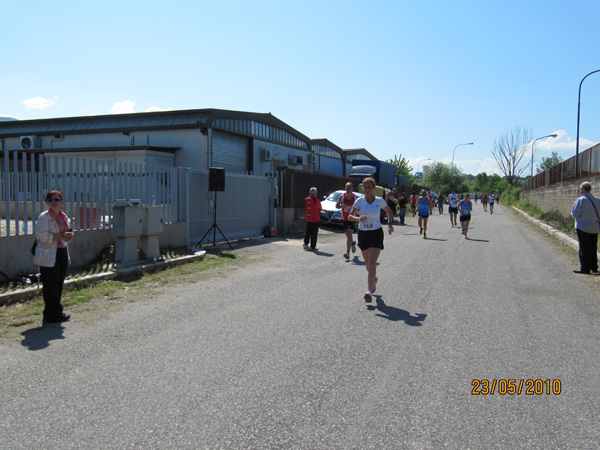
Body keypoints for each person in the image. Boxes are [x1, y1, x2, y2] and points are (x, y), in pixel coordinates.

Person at [348, 177, 394, 303]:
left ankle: (368, 291)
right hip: (363, 235)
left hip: (376, 234)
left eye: (369, 187)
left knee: (372, 263)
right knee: (368, 265)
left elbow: (389, 211)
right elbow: (350, 216)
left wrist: (390, 224)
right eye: (365, 187)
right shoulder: (359, 201)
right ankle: (373, 280)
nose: (367, 190)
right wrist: (358, 219)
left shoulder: (379, 201)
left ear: (374, 189)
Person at [33, 190, 75, 323]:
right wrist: (61, 235)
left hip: (61, 251)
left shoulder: (63, 217)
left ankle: (54, 312)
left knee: (58, 284)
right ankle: (52, 314)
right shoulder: (44, 217)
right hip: (48, 253)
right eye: (50, 200)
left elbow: (65, 235)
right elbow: (43, 236)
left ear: (62, 202)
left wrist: (67, 237)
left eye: (56, 199)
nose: (53, 202)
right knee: (50, 285)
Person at [571, 181, 600, 274]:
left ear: (582, 190)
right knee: (593, 248)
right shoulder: (597, 200)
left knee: (584, 248)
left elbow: (574, 214)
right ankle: (594, 267)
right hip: (595, 228)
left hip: (582, 227)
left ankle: (585, 268)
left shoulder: (581, 200)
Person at [336, 182, 358, 259]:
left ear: (352, 188)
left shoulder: (356, 197)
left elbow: (361, 206)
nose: (348, 188)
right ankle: (352, 244)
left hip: (352, 218)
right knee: (348, 235)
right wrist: (342, 206)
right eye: (347, 187)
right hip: (344, 218)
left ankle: (347, 252)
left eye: (349, 187)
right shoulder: (342, 197)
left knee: (349, 233)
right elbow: (337, 205)